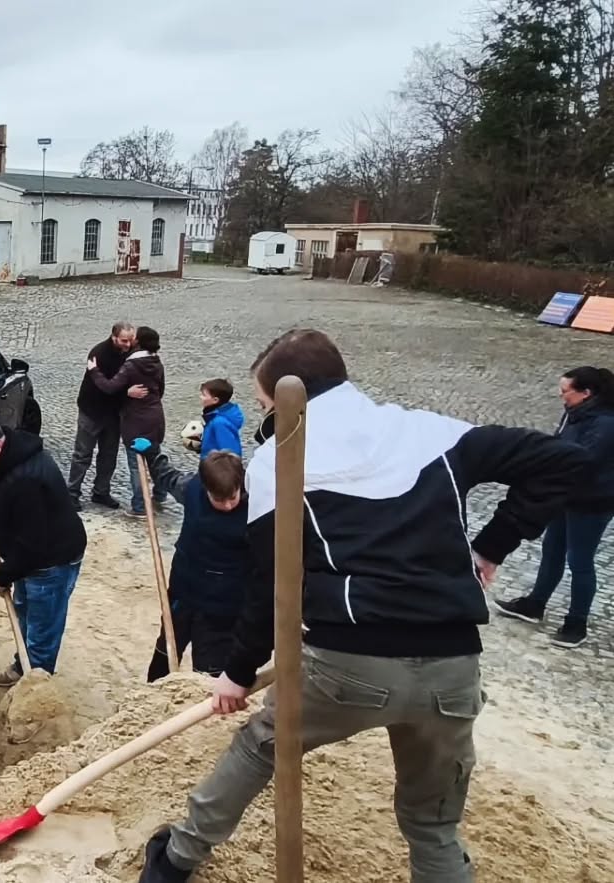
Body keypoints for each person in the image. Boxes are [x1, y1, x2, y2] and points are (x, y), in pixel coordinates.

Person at [138, 329, 590, 883]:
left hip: (350, 662)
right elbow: (567, 462)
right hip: (452, 667)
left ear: (285, 399)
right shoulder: (432, 433)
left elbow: (269, 585)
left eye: (263, 404)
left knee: (262, 746)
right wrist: (492, 546)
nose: (263, 415)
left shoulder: (278, 464)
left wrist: (235, 673)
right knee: (432, 827)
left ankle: (176, 859)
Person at [0, 416, 87, 688]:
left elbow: (32, 547)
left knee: (42, 627)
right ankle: (22, 665)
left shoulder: (28, 478)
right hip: (26, 560)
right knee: (24, 610)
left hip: (50, 562)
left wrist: (3, 575)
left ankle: (36, 687)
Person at [495, 365, 614, 648]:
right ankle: (535, 604)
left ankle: (577, 622)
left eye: (565, 392)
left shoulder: (607, 423)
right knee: (552, 550)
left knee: (580, 561)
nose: (561, 397)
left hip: (593, 501)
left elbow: (585, 459)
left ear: (586, 393)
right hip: (566, 494)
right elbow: (558, 444)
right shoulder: (574, 413)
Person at [131, 446, 249, 681]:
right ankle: (151, 697)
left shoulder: (257, 506)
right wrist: (152, 454)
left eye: (232, 497)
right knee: (166, 651)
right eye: (219, 499)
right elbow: (168, 476)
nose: (227, 505)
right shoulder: (192, 488)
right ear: (205, 489)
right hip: (183, 591)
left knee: (208, 670)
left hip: (222, 606)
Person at [85, 325, 166, 515]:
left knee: (136, 463)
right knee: (155, 458)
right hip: (155, 417)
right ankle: (160, 494)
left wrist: (94, 371)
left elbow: (110, 387)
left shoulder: (131, 365)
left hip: (136, 421)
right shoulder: (157, 363)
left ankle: (139, 507)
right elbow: (160, 390)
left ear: (139, 341)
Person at [67, 321, 136, 511]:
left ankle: (101, 491)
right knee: (82, 454)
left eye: (130, 340)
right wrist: (127, 393)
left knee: (109, 455)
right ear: (114, 337)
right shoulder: (99, 353)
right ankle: (72, 493)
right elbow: (107, 387)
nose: (128, 344)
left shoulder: (130, 353)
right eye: (124, 340)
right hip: (92, 411)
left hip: (113, 414)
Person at [190, 378, 244, 459]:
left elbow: (230, 455)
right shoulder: (215, 418)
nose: (200, 397)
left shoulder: (219, 423)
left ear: (215, 400)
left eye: (204, 395)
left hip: (215, 470)